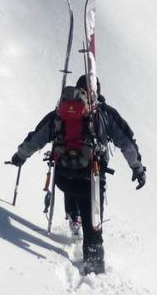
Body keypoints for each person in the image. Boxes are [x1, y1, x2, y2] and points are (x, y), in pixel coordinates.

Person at [9, 75, 146, 275]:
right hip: (92, 179)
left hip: (64, 177)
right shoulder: (104, 114)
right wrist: (137, 168)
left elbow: (37, 137)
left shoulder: (61, 112)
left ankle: (74, 219)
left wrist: (19, 156)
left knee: (70, 184)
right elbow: (126, 142)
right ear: (96, 91)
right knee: (93, 229)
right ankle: (94, 271)